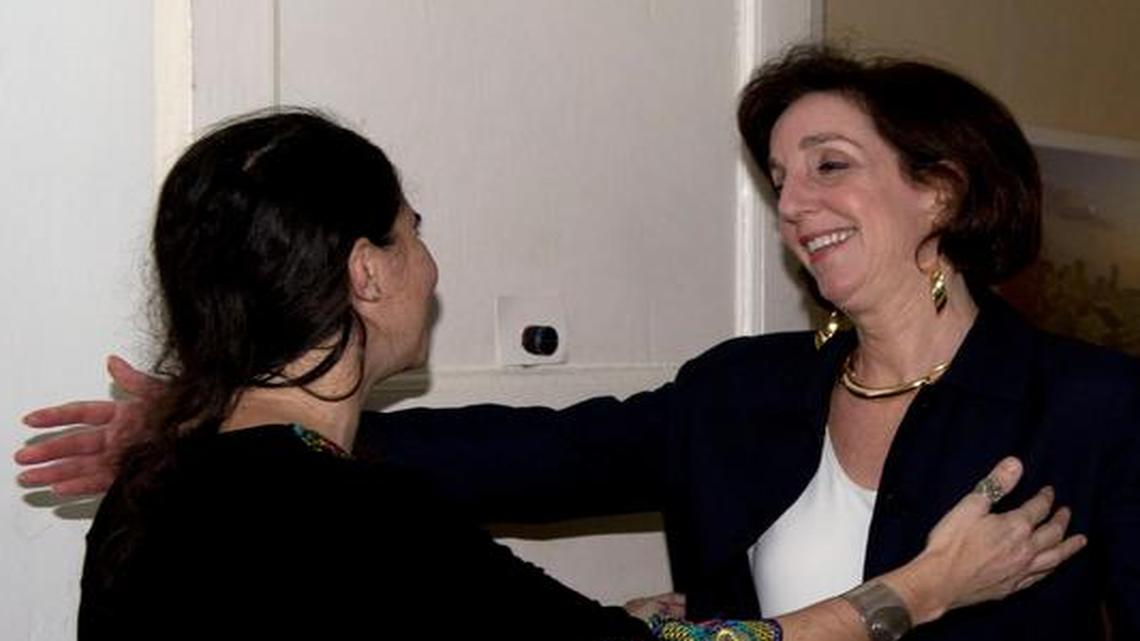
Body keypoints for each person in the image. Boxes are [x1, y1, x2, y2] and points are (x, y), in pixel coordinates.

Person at [19, 45, 1135, 638]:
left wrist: (221, 432)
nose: (793, 203)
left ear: (942, 188)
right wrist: (223, 431)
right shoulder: (741, 390)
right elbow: (530, 451)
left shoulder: (1091, 404)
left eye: (829, 165)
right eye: (778, 178)